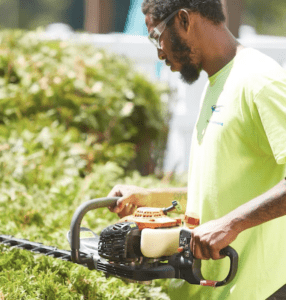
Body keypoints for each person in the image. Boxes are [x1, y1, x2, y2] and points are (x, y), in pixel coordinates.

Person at [108, 0, 286, 299]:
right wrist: (151, 197)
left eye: (156, 36)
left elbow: (228, 217)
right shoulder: (217, 82)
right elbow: (218, 192)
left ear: (184, 20)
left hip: (257, 290)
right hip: (214, 289)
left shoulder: (259, 80)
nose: (159, 51)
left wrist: (231, 224)